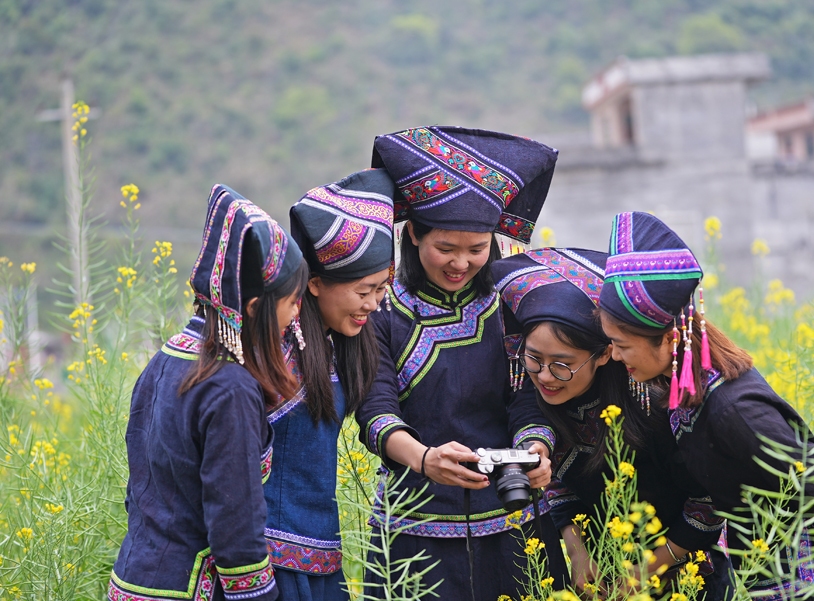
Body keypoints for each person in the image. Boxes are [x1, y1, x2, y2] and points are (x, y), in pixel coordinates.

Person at [596, 211, 814, 599]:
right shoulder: (688, 396)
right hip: (770, 575)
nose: (616, 357)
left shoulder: (732, 410)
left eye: (622, 346)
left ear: (671, 339)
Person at [355, 126, 568, 601]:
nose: (461, 264)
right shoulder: (382, 312)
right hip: (415, 534)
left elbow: (530, 395)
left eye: (477, 249)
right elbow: (375, 409)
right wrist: (426, 459)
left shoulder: (512, 302)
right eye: (445, 249)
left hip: (515, 524)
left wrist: (536, 450)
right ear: (412, 234)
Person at [492, 247, 735, 599]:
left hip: (685, 573)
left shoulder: (656, 408)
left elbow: (708, 501)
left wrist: (650, 568)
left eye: (562, 363)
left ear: (605, 353)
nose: (545, 376)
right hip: (607, 576)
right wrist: (577, 553)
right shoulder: (539, 400)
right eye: (534, 358)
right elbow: (561, 480)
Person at [108, 185, 307, 601]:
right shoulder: (229, 387)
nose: (296, 317)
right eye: (292, 303)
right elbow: (235, 520)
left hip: (133, 579)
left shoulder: (167, 358)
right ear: (254, 308)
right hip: (187, 588)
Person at [263, 169, 395, 601]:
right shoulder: (275, 353)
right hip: (268, 563)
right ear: (315, 284)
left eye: (382, 290)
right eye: (363, 291)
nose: (373, 304)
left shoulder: (342, 344)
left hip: (323, 554)